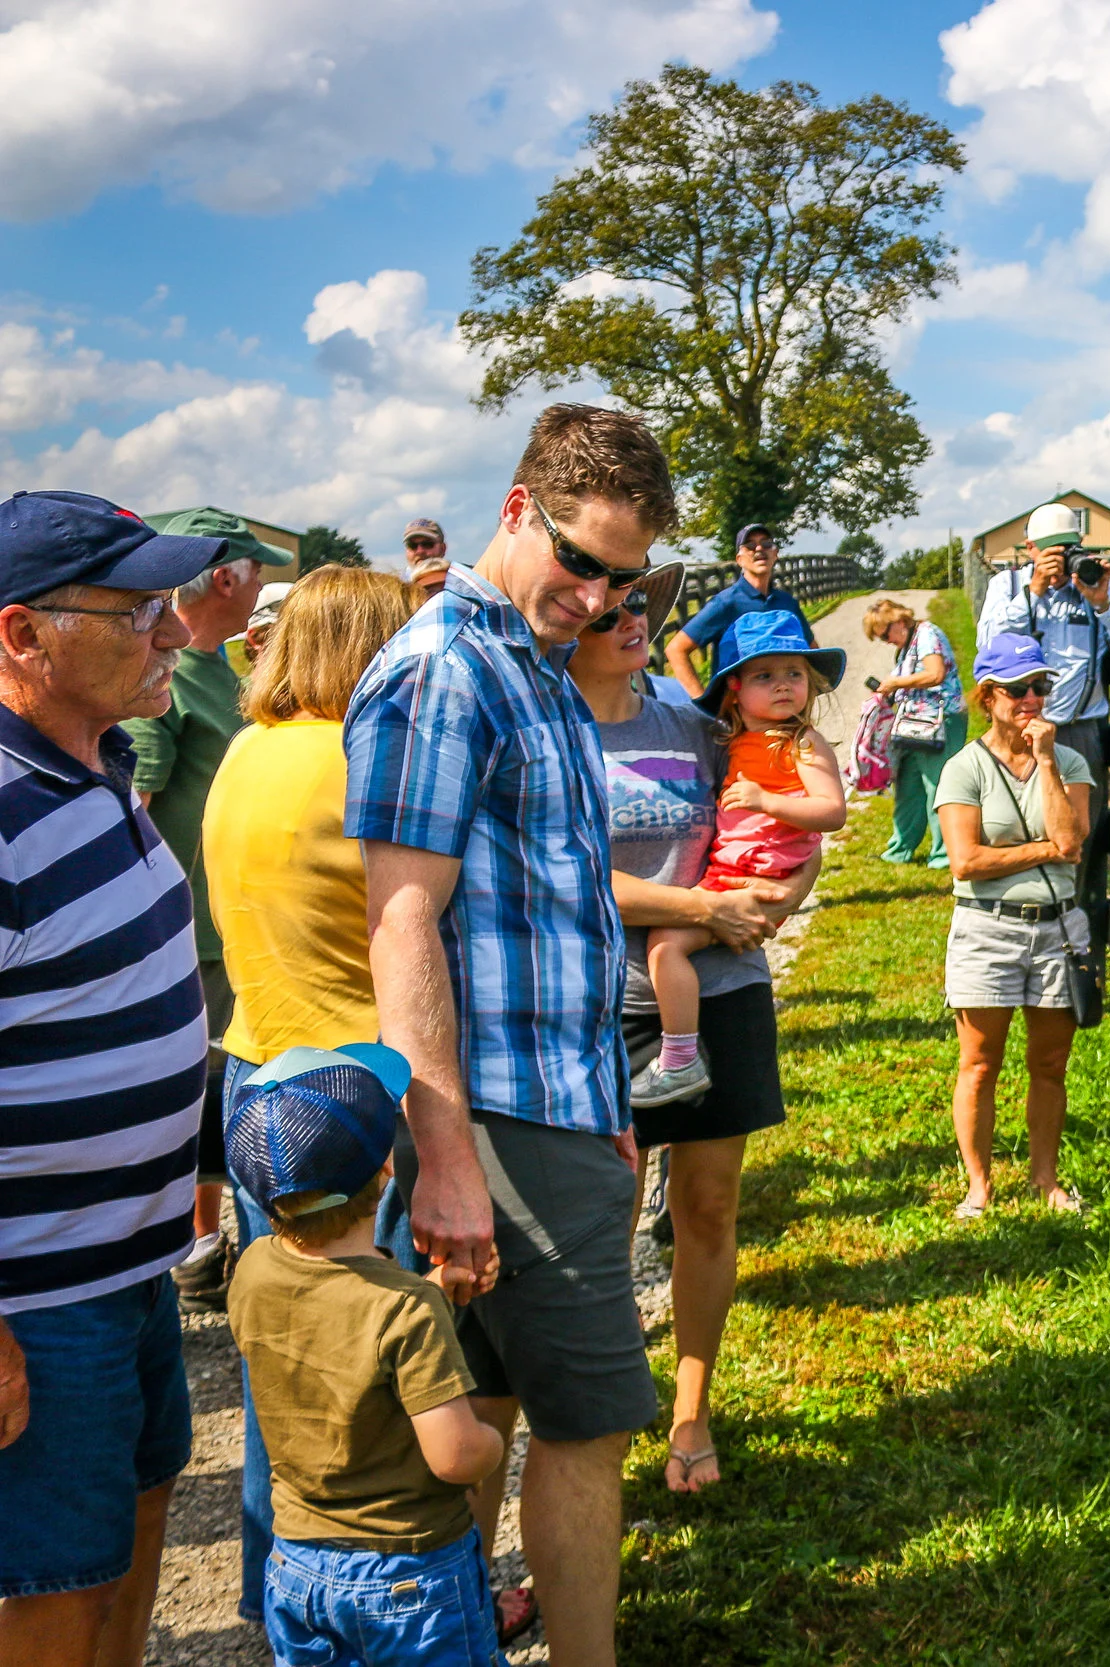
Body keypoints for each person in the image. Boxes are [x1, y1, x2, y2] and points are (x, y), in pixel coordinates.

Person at [346, 403, 668, 1667]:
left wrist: (609, 1111)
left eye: (623, 576)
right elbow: (401, 921)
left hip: (548, 1108)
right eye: (579, 558)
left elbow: (553, 920)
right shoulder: (444, 664)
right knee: (587, 1430)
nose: (594, 594)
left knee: (480, 1404)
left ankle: (459, 1642)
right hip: (494, 1121)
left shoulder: (529, 662)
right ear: (518, 506)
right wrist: (445, 1151)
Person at [0, 490, 232, 1667]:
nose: (178, 634)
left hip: (128, 1263)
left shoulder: (92, 759)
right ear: (22, 635)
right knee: (51, 1581)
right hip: (36, 1297)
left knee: (136, 1520)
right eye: (140, 610)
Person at [203, 564, 432, 1633]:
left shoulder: (247, 750)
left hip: (258, 1070)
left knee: (284, 1352)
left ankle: (274, 1581)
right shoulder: (360, 755)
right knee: (383, 1358)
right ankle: (389, 1591)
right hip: (357, 1091)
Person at [568, 570, 817, 1496]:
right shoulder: (553, 734)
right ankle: (601, 1406)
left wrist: (780, 900)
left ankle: (689, 1410)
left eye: (643, 606)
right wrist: (704, 904)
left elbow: (791, 824)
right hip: (606, 1002)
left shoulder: (698, 728)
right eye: (612, 610)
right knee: (606, 1216)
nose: (634, 620)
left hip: (725, 993)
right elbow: (572, 875)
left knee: (707, 1211)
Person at [224, 1044, 510, 1667]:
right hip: (411, 1574)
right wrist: (492, 1443)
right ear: (386, 1169)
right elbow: (457, 1455)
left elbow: (330, 1331)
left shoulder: (250, 1272)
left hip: (295, 1561)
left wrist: (434, 1295)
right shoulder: (405, 1309)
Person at [126, 507, 296, 1316]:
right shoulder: (166, 679)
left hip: (229, 937)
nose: (262, 582)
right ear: (225, 579)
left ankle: (225, 1256)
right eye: (256, 569)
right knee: (218, 1100)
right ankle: (212, 1258)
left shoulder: (215, 666)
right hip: (192, 945)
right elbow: (134, 810)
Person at [636, 612, 847, 1107]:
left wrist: (766, 801)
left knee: (666, 946)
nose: (783, 687)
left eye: (794, 674)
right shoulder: (735, 742)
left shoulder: (800, 742)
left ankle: (679, 1058)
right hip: (733, 872)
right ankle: (681, 1053)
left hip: (753, 875)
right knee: (667, 943)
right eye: (764, 676)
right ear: (734, 688)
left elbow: (832, 812)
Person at [933, 632, 1094, 1219]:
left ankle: (1044, 1179)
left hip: (1058, 929)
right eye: (1019, 689)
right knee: (979, 1063)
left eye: (1040, 687)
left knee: (1051, 1064)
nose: (1032, 698)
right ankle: (978, 1184)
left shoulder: (1067, 761)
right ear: (988, 695)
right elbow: (966, 862)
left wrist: (1047, 759)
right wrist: (1042, 850)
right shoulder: (964, 767)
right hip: (987, 929)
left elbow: (1072, 843)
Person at [974, 502, 1110, 800]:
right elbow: (988, 645)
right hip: (1020, 727)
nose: (1061, 560)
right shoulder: (1008, 585)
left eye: (1068, 550)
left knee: (1082, 826)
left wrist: (1102, 604)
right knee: (1022, 818)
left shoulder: (1093, 588)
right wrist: (1034, 591)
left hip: (1078, 730)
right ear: (1031, 549)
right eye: (1051, 551)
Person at [861, 597, 963, 867]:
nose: (885, 641)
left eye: (885, 634)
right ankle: (900, 848)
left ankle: (943, 854)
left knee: (936, 786)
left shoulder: (927, 634)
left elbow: (935, 673)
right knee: (908, 786)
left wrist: (895, 682)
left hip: (940, 721)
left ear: (899, 621)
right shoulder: (910, 644)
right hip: (915, 723)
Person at [664, 523, 802, 700]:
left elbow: (811, 650)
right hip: (738, 714)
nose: (759, 549)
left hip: (785, 707)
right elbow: (676, 649)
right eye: (750, 546)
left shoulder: (787, 602)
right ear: (739, 559)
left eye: (766, 544)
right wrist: (702, 705)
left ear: (775, 554)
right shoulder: (726, 603)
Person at [406, 518, 452, 599]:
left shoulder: (459, 581)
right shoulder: (396, 587)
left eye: (427, 544)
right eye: (412, 545)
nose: (419, 551)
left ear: (443, 548)